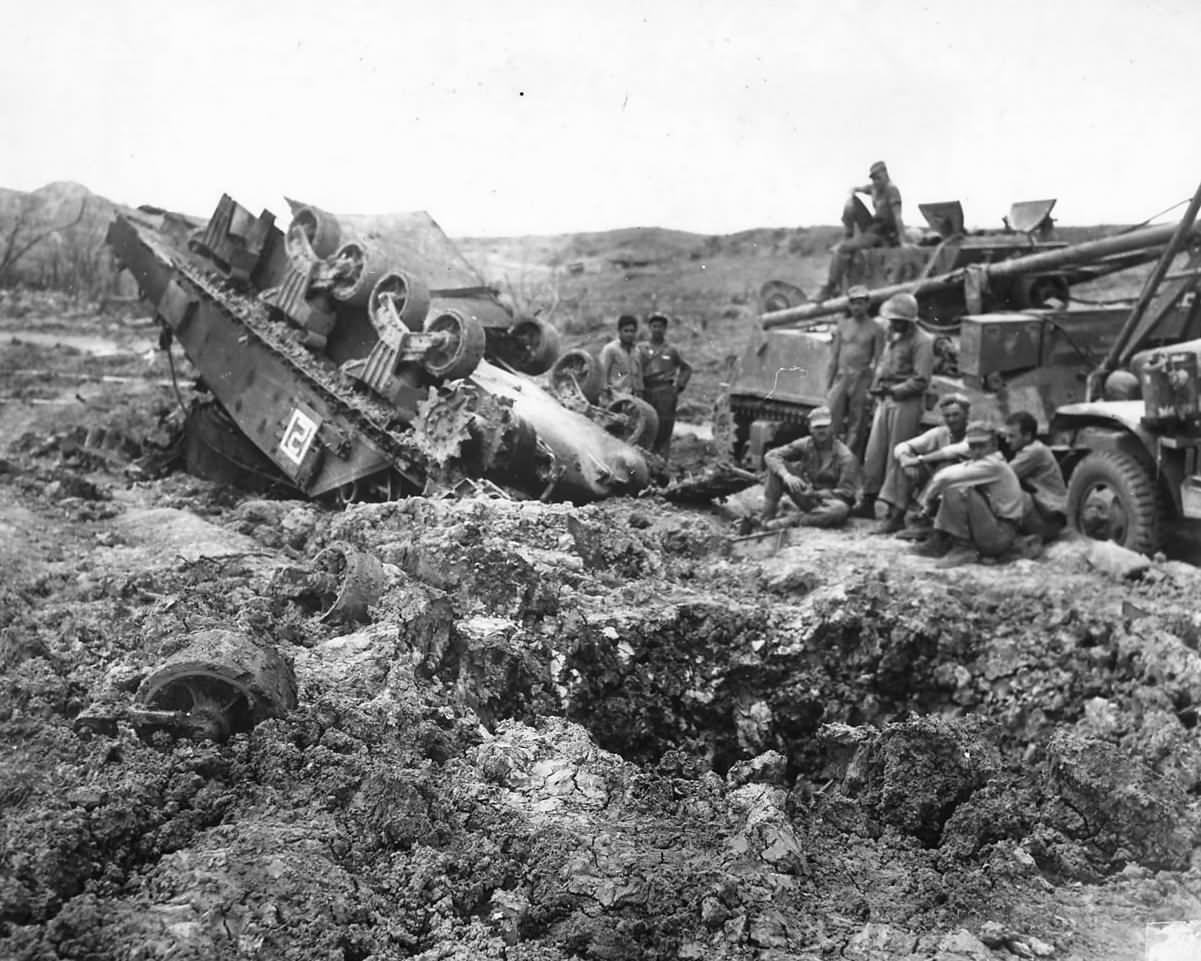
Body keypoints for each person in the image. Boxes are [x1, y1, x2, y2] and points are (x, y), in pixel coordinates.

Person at [853, 292, 934, 520]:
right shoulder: (891, 336)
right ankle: (868, 499)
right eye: (892, 320)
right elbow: (882, 364)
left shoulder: (923, 341)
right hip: (885, 399)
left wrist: (895, 390)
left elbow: (921, 379)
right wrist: (876, 387)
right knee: (874, 453)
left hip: (906, 402)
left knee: (896, 455)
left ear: (909, 321)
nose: (894, 323)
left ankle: (892, 508)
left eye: (899, 321)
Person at [913, 421, 1026, 566]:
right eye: (973, 446)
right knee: (955, 487)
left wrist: (927, 501)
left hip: (1000, 534)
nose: (977, 451)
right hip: (992, 527)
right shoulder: (982, 463)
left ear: (993, 445)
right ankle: (940, 540)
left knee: (956, 490)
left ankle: (963, 549)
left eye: (982, 445)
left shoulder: (993, 464)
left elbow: (944, 477)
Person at [876, 393, 971, 535]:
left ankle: (922, 518)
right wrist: (905, 460)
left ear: (966, 414)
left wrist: (919, 459)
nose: (951, 419)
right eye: (947, 416)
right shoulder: (940, 433)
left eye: (956, 415)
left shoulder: (973, 433)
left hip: (963, 486)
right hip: (936, 483)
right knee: (904, 466)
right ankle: (896, 516)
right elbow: (902, 446)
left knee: (945, 465)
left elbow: (955, 450)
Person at [814, 161, 905, 301]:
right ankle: (848, 236)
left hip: (883, 234)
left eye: (878, 177)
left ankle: (830, 287)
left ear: (886, 175)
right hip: (872, 226)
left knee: (843, 249)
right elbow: (862, 189)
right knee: (851, 203)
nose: (875, 181)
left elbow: (898, 216)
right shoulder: (874, 188)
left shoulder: (892, 190)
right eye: (873, 178)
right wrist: (854, 191)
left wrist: (903, 241)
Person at [759, 406, 859, 529]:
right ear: (810, 429)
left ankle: (792, 521)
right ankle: (766, 519)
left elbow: (847, 494)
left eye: (825, 426)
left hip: (829, 502)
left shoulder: (845, 456)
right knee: (776, 468)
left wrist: (816, 494)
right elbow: (771, 455)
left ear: (831, 428)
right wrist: (787, 476)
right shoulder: (806, 444)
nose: (821, 431)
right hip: (807, 496)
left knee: (840, 509)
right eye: (817, 427)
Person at [825, 284, 885, 459]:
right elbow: (833, 358)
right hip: (842, 377)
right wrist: (828, 387)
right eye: (853, 303)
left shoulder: (876, 328)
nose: (857, 307)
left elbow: (879, 360)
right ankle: (828, 458)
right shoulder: (842, 326)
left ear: (867, 304)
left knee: (857, 423)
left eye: (860, 302)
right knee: (830, 419)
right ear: (849, 305)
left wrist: (873, 388)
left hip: (862, 378)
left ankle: (849, 461)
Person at [1002, 411, 1068, 541]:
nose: (1007, 440)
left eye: (1012, 436)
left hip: (1050, 522)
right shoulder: (1031, 449)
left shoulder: (1034, 451)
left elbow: (1003, 475)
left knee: (1006, 491)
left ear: (1027, 436)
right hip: (1047, 515)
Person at [638, 312, 692, 458]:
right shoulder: (641, 349)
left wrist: (678, 387)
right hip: (646, 390)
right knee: (645, 425)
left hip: (665, 392)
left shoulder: (671, 350)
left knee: (665, 427)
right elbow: (629, 369)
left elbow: (686, 368)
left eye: (660, 326)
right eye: (654, 326)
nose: (657, 329)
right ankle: (644, 457)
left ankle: (662, 460)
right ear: (649, 327)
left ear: (665, 329)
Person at [598, 314, 644, 400]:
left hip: (634, 398)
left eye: (632, 331)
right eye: (626, 331)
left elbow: (639, 375)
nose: (629, 334)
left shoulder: (636, 351)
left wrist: (641, 392)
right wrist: (604, 393)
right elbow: (603, 372)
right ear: (619, 331)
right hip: (615, 396)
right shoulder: (610, 349)